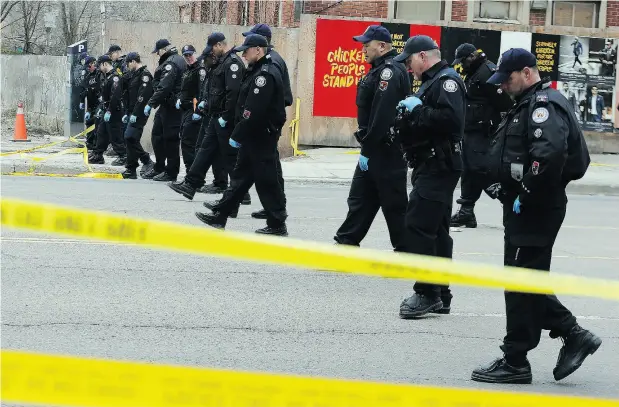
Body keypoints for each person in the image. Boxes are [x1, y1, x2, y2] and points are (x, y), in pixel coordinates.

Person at [471, 48, 601, 384]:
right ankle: (570, 337)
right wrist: (503, 184)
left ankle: (518, 359)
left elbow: (549, 153)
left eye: (509, 78)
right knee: (524, 279)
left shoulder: (543, 104)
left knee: (520, 282)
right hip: (526, 205)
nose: (503, 86)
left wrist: (526, 192)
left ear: (527, 72)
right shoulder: (525, 103)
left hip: (535, 207)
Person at [394, 35, 465, 318]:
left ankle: (427, 292)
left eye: (410, 61)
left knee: (418, 226)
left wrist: (418, 109)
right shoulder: (432, 81)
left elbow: (451, 120)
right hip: (432, 163)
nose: (409, 68)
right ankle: (442, 294)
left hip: (439, 165)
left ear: (423, 56)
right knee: (436, 231)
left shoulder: (447, 81)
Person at [195, 34, 288, 236]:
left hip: (261, 136)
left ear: (258, 50)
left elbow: (253, 111)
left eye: (247, 50)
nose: (243, 54)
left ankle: (277, 223)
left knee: (267, 180)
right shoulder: (256, 70)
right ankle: (220, 215)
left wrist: (236, 135)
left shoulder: (265, 75)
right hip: (252, 136)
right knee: (239, 178)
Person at [332, 25, 410, 253]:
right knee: (360, 197)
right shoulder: (377, 70)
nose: (363, 49)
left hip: (385, 149)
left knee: (394, 203)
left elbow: (382, 115)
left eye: (367, 45)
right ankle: (348, 238)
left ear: (383, 46)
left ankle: (407, 247)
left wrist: (367, 149)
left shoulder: (390, 71)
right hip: (374, 146)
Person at [169, 33, 246, 200]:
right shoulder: (222, 62)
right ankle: (190, 184)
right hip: (214, 115)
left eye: (212, 48)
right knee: (205, 150)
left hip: (224, 118)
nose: (211, 52)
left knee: (229, 155)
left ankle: (241, 192)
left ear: (219, 45)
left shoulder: (232, 63)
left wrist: (226, 117)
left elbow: (233, 94)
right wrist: (207, 105)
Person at [450, 43, 513, 228]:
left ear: (471, 56)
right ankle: (466, 212)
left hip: (484, 132)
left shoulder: (488, 72)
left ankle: (509, 201)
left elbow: (504, 103)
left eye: (463, 61)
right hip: (471, 131)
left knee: (482, 170)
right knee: (469, 169)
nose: (462, 65)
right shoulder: (475, 71)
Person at [240, 23, 293, 220]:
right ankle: (274, 207)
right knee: (268, 167)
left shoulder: (272, 62)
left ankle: (277, 208)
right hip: (266, 122)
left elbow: (275, 96)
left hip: (267, 123)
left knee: (267, 169)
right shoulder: (268, 60)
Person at [143, 39, 187, 182]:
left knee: (170, 139)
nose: (157, 55)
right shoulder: (171, 60)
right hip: (165, 106)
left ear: (163, 50)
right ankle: (160, 167)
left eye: (158, 52)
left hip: (172, 107)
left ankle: (171, 172)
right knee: (157, 136)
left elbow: (165, 86)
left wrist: (151, 103)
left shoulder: (172, 62)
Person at [121, 52, 155, 179]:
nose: (127, 66)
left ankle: (146, 160)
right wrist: (127, 113)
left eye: (128, 63)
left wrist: (135, 113)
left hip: (140, 113)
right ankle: (131, 168)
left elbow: (142, 96)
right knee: (131, 139)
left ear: (134, 61)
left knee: (129, 137)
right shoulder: (134, 75)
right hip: (132, 112)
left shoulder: (145, 75)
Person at [88, 55, 127, 165]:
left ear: (105, 64)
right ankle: (98, 154)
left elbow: (115, 96)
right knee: (101, 132)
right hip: (107, 109)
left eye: (99, 65)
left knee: (115, 135)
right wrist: (102, 108)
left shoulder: (115, 77)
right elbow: (105, 96)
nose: (99, 68)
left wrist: (109, 111)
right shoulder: (107, 76)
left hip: (114, 111)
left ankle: (123, 156)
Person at [176, 44, 206, 172]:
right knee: (186, 140)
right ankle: (191, 173)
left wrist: (199, 110)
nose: (188, 57)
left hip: (194, 110)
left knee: (189, 142)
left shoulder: (200, 70)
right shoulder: (188, 69)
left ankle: (193, 174)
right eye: (186, 55)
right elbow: (184, 89)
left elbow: (202, 91)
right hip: (186, 110)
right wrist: (179, 98)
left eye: (190, 54)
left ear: (195, 53)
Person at [80, 56, 101, 151]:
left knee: (97, 125)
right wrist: (86, 108)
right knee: (89, 123)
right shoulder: (88, 77)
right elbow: (86, 92)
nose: (88, 69)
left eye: (90, 66)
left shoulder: (99, 75)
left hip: (100, 104)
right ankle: (90, 143)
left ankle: (97, 146)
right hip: (91, 105)